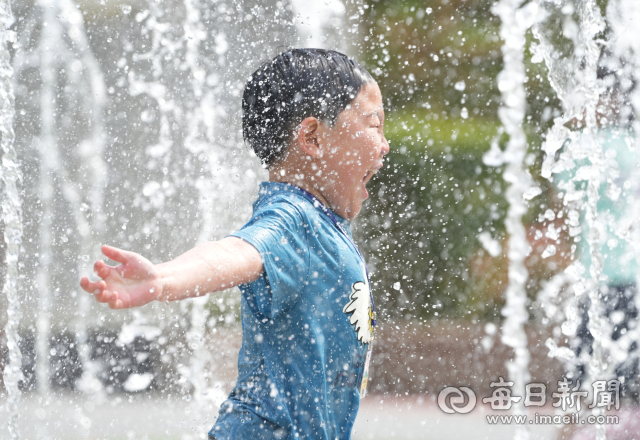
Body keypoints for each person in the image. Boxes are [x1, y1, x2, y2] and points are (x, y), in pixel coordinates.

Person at [80, 48, 389, 440]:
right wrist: (164, 278)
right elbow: (237, 251)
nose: (384, 145)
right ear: (311, 137)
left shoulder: (321, 221)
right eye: (374, 125)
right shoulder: (294, 220)